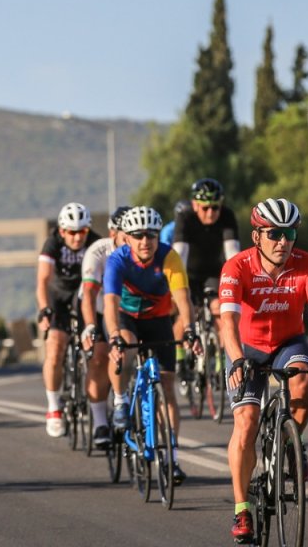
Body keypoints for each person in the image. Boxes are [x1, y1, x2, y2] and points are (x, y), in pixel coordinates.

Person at [219, 199, 308, 543]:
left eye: (289, 233)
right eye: (274, 233)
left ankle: (293, 441)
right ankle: (242, 508)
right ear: (257, 235)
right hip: (246, 348)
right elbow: (227, 319)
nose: (283, 241)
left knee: (304, 380)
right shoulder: (236, 267)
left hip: (290, 342)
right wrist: (236, 358)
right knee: (246, 421)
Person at [103, 205, 197, 486]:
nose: (145, 241)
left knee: (167, 387)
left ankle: (171, 458)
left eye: (151, 235)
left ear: (158, 237)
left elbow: (182, 296)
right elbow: (110, 302)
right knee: (127, 345)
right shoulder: (117, 260)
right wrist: (113, 335)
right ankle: (120, 401)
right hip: (127, 318)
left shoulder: (169, 256)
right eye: (138, 235)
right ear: (127, 238)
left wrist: (190, 328)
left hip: (158, 320)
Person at [36, 202, 101, 438]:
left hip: (84, 295)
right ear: (62, 231)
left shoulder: (96, 241)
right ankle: (54, 408)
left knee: (94, 348)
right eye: (72, 232)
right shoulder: (52, 243)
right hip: (58, 296)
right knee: (55, 347)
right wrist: (44, 309)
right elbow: (43, 280)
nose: (77, 237)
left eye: (82, 231)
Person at [171, 178, 240, 386]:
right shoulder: (185, 217)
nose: (211, 213)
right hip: (188, 273)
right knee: (186, 313)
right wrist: (179, 289)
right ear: (194, 205)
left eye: (215, 207)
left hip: (215, 272)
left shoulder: (227, 216)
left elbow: (232, 254)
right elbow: (179, 255)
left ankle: (220, 362)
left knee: (219, 310)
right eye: (205, 208)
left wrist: (236, 284)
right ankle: (180, 359)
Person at [78, 205, 131, 449]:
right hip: (98, 309)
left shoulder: (143, 250)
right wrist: (89, 326)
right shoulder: (98, 252)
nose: (133, 238)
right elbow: (88, 295)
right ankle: (100, 421)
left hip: (128, 311)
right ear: (113, 234)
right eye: (126, 233)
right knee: (100, 356)